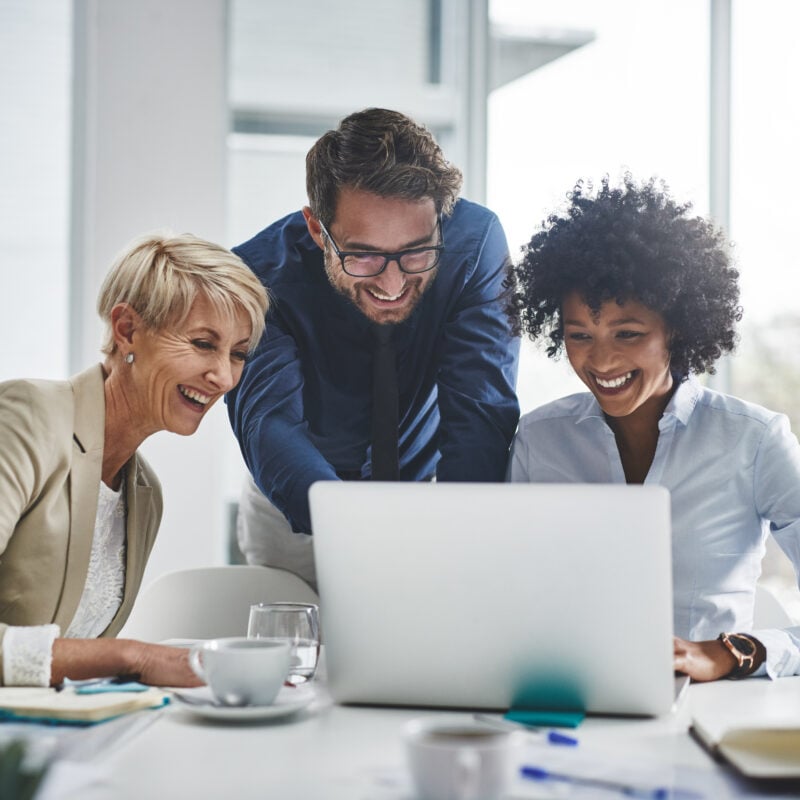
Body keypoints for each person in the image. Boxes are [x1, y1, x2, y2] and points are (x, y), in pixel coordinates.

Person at [506, 175, 800, 681]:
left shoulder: (754, 441)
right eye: (579, 335)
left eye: (628, 333)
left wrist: (728, 652)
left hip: (707, 711)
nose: (600, 359)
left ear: (678, 328)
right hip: (570, 696)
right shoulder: (539, 440)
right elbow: (506, 593)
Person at [227, 108, 520, 588]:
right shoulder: (255, 276)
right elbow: (270, 423)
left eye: (415, 251)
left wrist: (461, 537)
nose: (392, 281)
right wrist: (360, 534)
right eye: (362, 254)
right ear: (317, 229)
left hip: (428, 494)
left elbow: (480, 412)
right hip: (296, 510)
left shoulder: (475, 244)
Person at [0, 232, 268, 687]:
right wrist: (131, 656)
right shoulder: (28, 418)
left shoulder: (145, 494)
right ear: (127, 330)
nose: (223, 376)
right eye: (204, 344)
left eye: (238, 354)